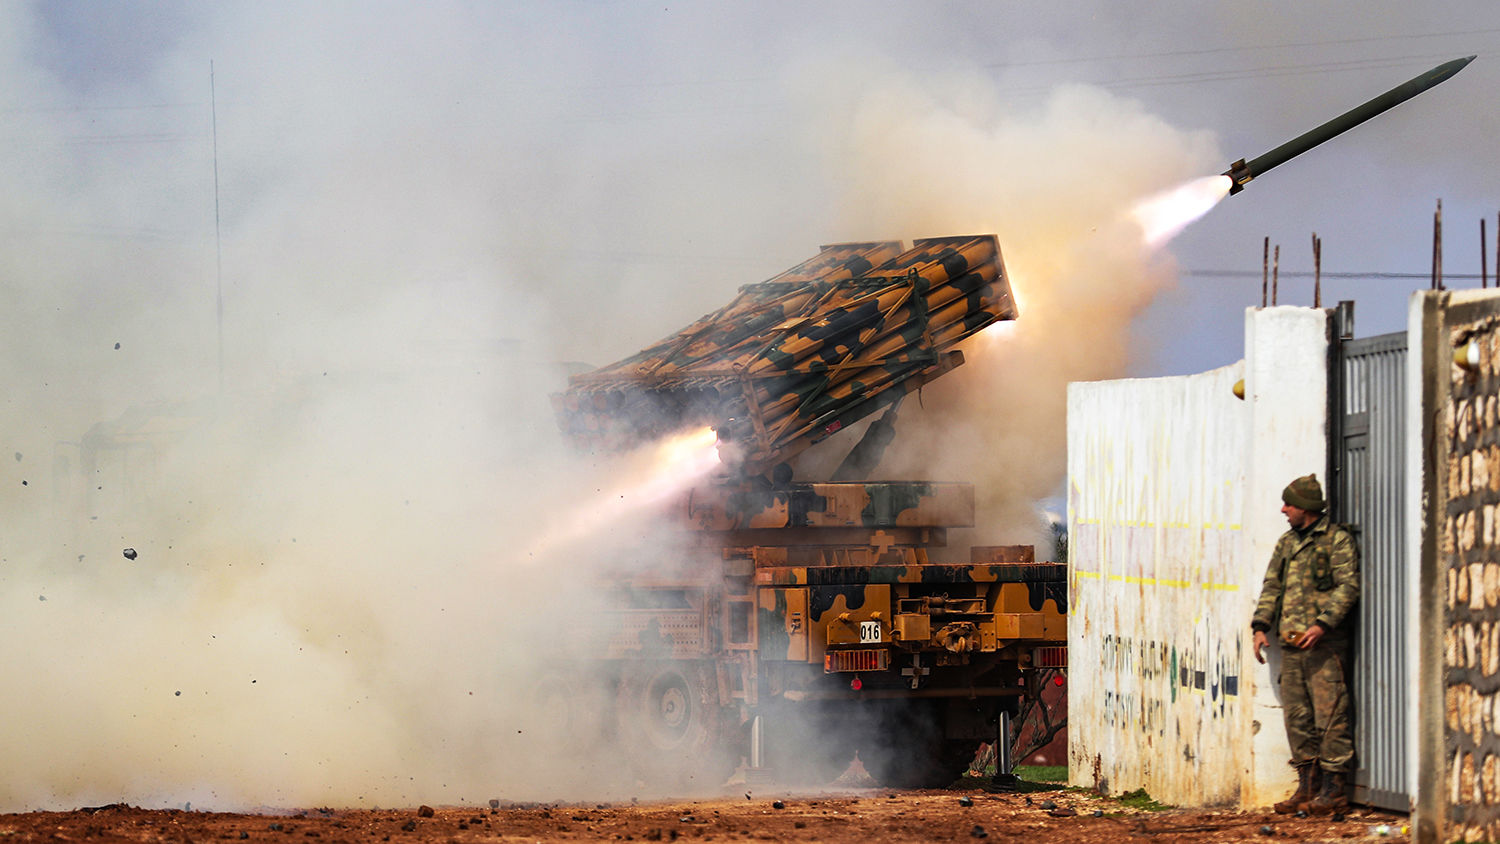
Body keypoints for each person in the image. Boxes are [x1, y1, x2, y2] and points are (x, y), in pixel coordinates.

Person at [1251, 473, 1360, 815]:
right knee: (1297, 717)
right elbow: (1272, 587)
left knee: (1330, 716)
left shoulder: (1336, 541)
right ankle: (1307, 786)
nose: (1284, 510)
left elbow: (1348, 587)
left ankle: (1333, 789)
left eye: (1289, 504)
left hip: (1323, 647)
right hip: (1292, 645)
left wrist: (1322, 625)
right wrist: (1260, 627)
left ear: (1306, 508)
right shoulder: (1287, 543)